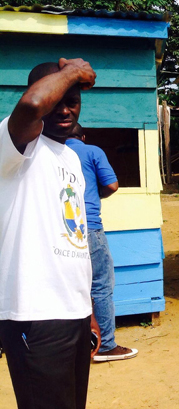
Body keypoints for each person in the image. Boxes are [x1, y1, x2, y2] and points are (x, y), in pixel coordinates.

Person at [0, 58, 99, 409]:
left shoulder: (71, 158)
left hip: (72, 314)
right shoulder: (16, 142)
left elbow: (74, 239)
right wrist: (73, 72)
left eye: (73, 100)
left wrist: (88, 314)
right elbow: (30, 106)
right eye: (58, 99)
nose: (66, 108)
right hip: (34, 313)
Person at [66, 124, 138, 362]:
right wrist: (97, 195)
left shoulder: (50, 154)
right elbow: (112, 185)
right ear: (83, 137)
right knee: (101, 286)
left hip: (60, 231)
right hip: (89, 228)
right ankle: (105, 345)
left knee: (67, 287)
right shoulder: (92, 151)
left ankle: (69, 348)